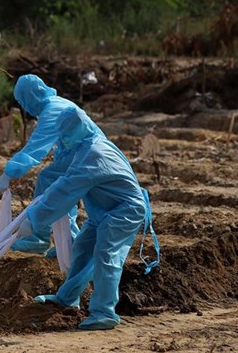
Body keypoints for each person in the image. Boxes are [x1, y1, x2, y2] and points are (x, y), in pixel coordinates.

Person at [26, 107, 151, 330]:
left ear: (77, 130)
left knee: (106, 253)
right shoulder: (84, 145)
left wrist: (34, 219)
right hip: (103, 210)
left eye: (66, 135)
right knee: (83, 248)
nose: (62, 140)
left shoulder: (95, 153)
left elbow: (67, 187)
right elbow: (60, 173)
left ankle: (104, 312)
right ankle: (66, 297)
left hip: (124, 210)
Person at [0, 74, 104, 256]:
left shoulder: (52, 110)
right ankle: (69, 241)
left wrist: (9, 173)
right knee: (61, 188)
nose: (24, 107)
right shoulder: (55, 103)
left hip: (85, 154)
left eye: (23, 102)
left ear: (31, 97)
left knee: (49, 180)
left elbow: (36, 147)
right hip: (82, 153)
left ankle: (40, 236)